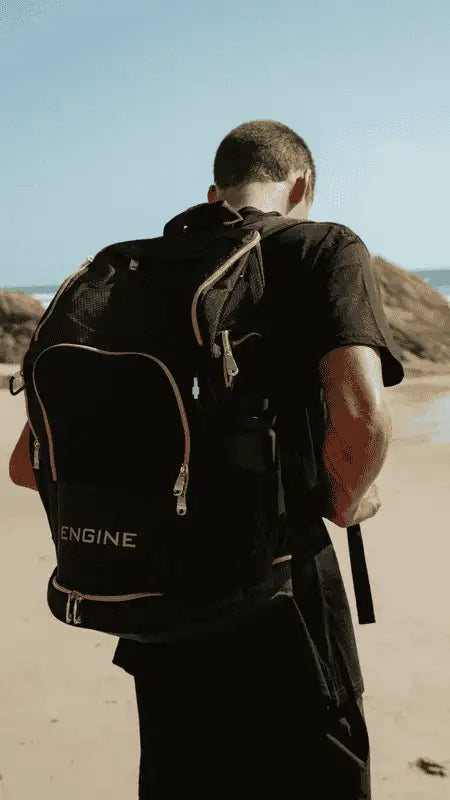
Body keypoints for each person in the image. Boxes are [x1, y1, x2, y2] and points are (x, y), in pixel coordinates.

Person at [111, 120, 404, 798]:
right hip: (284, 603)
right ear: (301, 183)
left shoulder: (138, 273)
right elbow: (360, 422)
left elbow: (29, 464)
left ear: (214, 192)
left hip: (161, 608)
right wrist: (349, 495)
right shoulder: (322, 246)